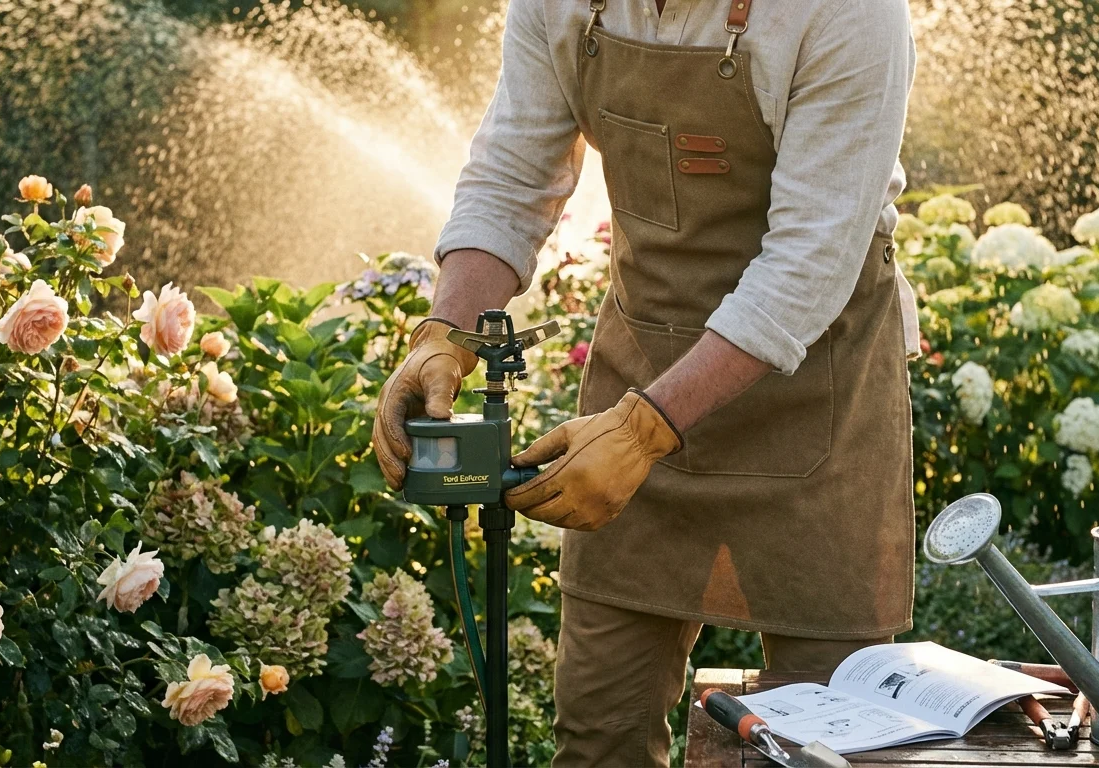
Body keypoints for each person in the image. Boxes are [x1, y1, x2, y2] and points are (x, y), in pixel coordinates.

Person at [371, 0, 919, 761]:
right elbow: (512, 174)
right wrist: (446, 334)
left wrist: (645, 428)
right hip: (643, 359)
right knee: (600, 729)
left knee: (824, 734)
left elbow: (810, 262)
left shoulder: (845, 12)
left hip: (816, 395)